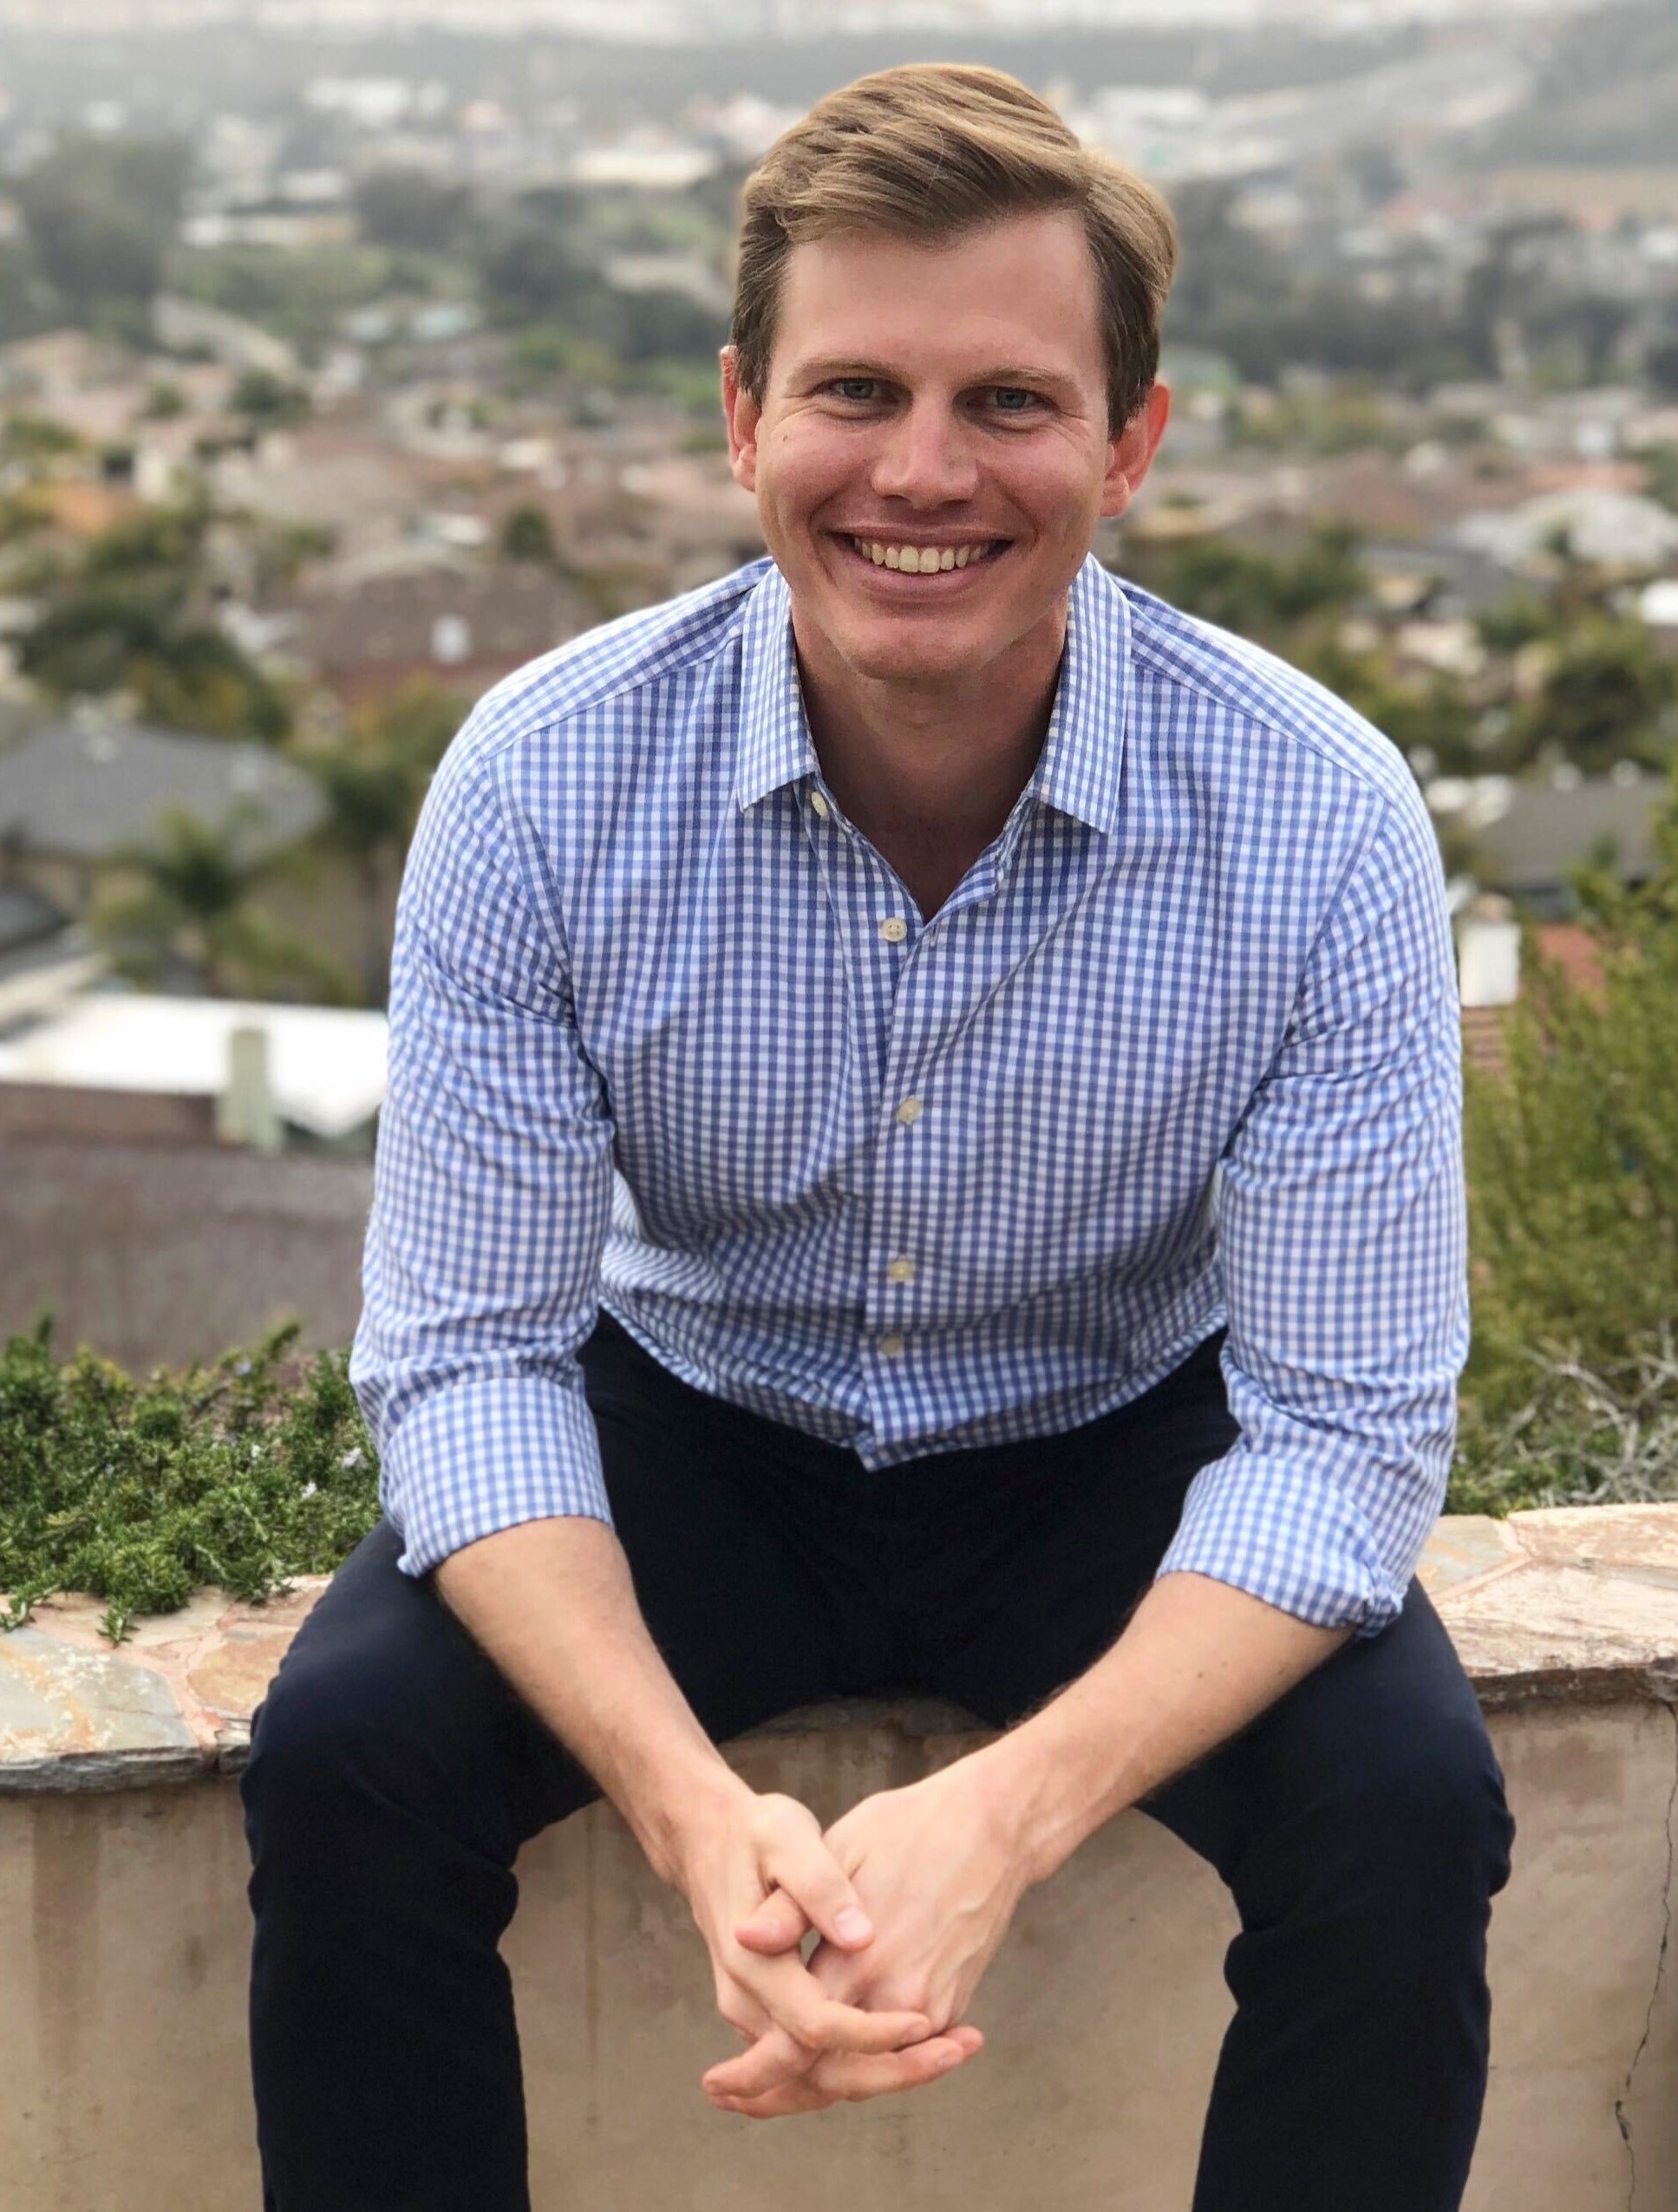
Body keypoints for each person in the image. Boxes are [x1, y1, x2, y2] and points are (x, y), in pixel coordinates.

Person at [239, 62, 1514, 2212]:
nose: (923, 471)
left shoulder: (1318, 817)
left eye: (1010, 401)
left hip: (1111, 1436)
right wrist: (688, 1812)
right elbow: (470, 1360)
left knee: (1405, 1814)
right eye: (856, 391)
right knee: (349, 1755)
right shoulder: (544, 780)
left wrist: (1002, 1819)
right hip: (697, 1418)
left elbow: (1348, 1429)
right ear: (745, 418)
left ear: (1130, 443)